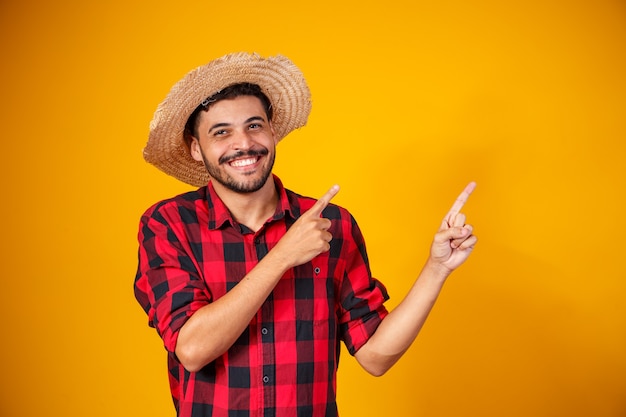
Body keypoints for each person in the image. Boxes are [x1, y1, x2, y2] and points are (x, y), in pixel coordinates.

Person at [134, 52, 477, 417]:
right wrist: (283, 255)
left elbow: (376, 355)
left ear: (272, 132)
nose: (244, 144)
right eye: (221, 132)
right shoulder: (168, 224)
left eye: (254, 125)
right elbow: (192, 349)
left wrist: (437, 268)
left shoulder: (331, 225)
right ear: (196, 150)